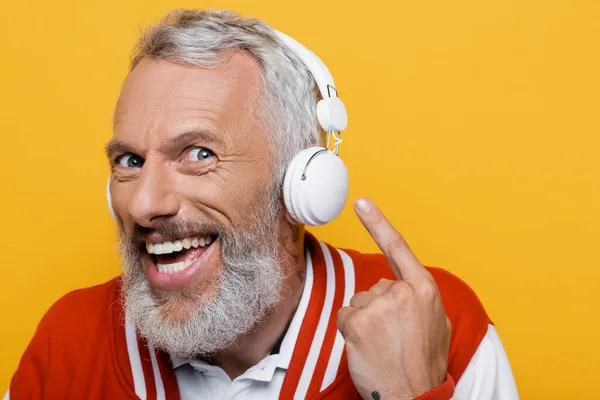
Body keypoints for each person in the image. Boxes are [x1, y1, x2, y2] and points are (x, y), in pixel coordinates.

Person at [5, 9, 518, 400]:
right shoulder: (68, 340)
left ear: (301, 183)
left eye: (199, 153)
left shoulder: (439, 322)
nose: (144, 204)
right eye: (131, 160)